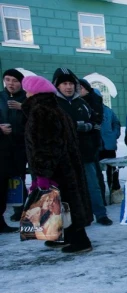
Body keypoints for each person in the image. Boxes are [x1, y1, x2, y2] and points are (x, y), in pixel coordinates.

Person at [21, 76, 94, 253]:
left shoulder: (41, 111)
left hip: (57, 168)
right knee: (63, 204)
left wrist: (43, 173)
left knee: (65, 203)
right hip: (65, 166)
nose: (25, 93)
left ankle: (80, 241)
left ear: (35, 92)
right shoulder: (55, 109)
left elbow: (46, 145)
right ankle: (64, 237)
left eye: (27, 90)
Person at [52, 68, 112, 226]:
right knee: (70, 189)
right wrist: (80, 126)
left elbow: (95, 124)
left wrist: (86, 129)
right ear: (57, 86)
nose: (68, 87)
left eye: (71, 83)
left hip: (85, 153)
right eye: (64, 83)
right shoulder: (53, 104)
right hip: (64, 156)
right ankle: (73, 219)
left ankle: (101, 214)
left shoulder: (82, 103)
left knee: (93, 186)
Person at [0, 68, 27, 232]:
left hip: (22, 147)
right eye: (8, 79)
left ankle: (22, 211)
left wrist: (22, 107)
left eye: (14, 80)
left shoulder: (27, 98)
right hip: (2, 148)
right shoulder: (0, 97)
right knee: (2, 182)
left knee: (21, 179)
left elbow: (37, 117)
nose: (11, 83)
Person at [95, 89, 122, 203]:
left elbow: (116, 123)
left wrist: (114, 134)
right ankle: (100, 195)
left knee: (112, 170)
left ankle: (114, 191)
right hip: (96, 146)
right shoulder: (89, 110)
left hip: (109, 145)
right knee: (96, 172)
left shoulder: (108, 111)